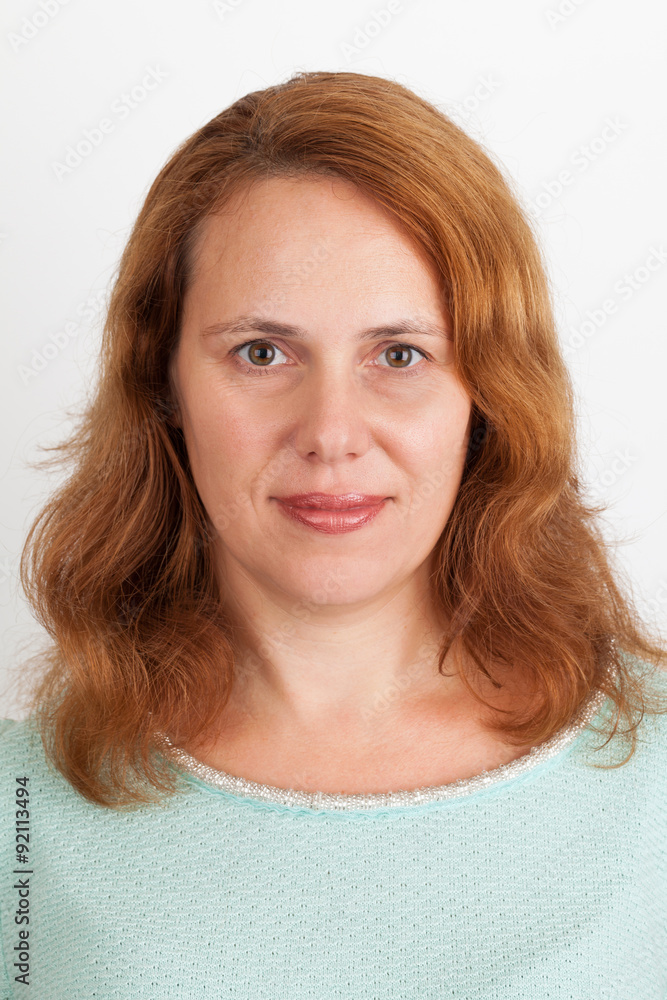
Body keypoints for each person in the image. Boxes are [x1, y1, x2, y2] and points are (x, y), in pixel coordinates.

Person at [1, 70, 666, 997]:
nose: (331, 434)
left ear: (486, 395)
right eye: (261, 353)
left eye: (399, 354)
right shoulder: (21, 808)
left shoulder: (654, 770)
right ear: (163, 383)